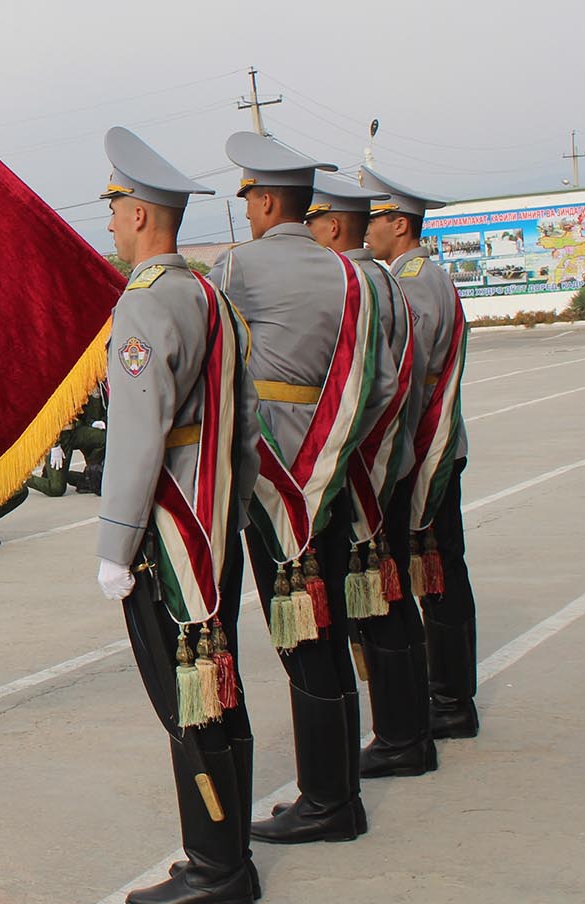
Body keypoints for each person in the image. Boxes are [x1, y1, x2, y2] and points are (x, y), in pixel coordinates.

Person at [93, 127, 261, 904]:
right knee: (218, 684)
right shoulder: (209, 295)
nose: (111, 223)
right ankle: (231, 849)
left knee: (185, 696)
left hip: (166, 529)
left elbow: (135, 437)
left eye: (116, 208)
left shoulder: (144, 305)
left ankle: (217, 865)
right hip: (214, 514)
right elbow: (244, 419)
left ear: (137, 216)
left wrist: (113, 544)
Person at [210, 132, 379, 845]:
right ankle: (337, 790)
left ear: (268, 199)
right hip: (332, 467)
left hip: (275, 474)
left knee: (299, 638)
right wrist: (331, 447)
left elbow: (211, 360)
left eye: (248, 196)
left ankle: (328, 802)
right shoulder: (352, 275)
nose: (246, 209)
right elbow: (382, 383)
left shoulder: (237, 265)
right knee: (328, 629)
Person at [305, 173, 434, 777]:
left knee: (375, 604)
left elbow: (374, 387)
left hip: (365, 467)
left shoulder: (354, 284)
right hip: (390, 459)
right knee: (390, 600)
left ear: (333, 226)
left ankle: (399, 739)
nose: (306, 233)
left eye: (311, 221)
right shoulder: (384, 281)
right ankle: (409, 734)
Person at [362, 166, 479, 744]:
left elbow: (405, 381)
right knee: (441, 570)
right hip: (434, 448)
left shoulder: (412, 285)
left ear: (399, 224)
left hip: (424, 451)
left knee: (437, 574)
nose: (368, 228)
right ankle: (450, 695)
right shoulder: (420, 276)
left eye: (375, 218)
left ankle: (450, 699)